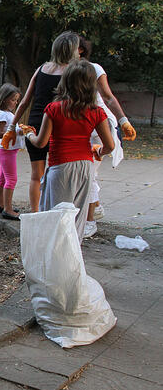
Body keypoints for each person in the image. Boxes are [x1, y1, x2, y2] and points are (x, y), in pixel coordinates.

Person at [23, 60, 114, 241]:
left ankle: (54, 264)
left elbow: (41, 143)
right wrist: (99, 151)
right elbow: (110, 146)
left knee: (56, 218)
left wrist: (28, 135)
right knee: (77, 221)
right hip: (86, 168)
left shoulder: (54, 109)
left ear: (65, 82)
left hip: (61, 167)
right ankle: (73, 262)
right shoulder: (96, 112)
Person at [2, 31, 80, 212]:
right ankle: (54, 212)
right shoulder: (73, 72)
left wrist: (12, 127)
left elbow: (24, 102)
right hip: (60, 127)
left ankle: (35, 213)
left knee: (36, 176)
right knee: (56, 173)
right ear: (72, 50)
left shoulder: (41, 69)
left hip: (35, 125)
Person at [77, 36, 137, 238]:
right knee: (87, 172)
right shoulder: (63, 70)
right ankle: (96, 206)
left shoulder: (94, 69)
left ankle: (90, 221)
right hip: (81, 126)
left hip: (100, 124)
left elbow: (108, 97)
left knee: (88, 173)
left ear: (81, 50)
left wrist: (123, 121)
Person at [0, 83, 28, 220]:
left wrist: (20, 130)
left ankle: (1, 205)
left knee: (3, 179)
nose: (15, 103)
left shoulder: (8, 113)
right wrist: (15, 131)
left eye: (17, 100)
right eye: (13, 100)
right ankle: (8, 209)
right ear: (4, 99)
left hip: (8, 151)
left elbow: (10, 129)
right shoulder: (2, 114)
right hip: (6, 151)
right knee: (11, 179)